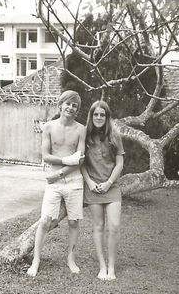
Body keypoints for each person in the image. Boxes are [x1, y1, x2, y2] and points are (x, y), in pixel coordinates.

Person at [27, 90, 86, 277]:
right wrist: (70, 161)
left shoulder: (81, 129)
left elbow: (81, 159)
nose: (70, 107)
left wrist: (60, 171)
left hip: (74, 181)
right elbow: (46, 156)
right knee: (45, 220)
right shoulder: (49, 127)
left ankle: (70, 258)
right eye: (67, 103)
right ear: (60, 105)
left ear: (77, 110)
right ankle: (36, 260)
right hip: (54, 184)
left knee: (74, 221)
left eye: (74, 105)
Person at [81, 100, 124, 281]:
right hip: (93, 188)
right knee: (98, 227)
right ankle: (102, 266)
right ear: (91, 116)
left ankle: (112, 267)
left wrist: (108, 183)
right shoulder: (85, 136)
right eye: (95, 114)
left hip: (111, 187)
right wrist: (89, 182)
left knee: (113, 226)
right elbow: (81, 164)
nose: (99, 117)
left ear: (107, 117)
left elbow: (120, 163)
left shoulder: (115, 136)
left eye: (102, 115)